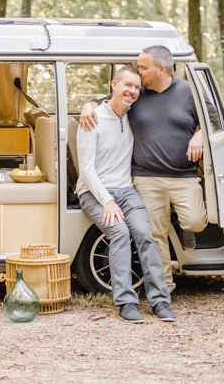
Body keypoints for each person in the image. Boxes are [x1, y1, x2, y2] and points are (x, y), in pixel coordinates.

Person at [79, 45, 208, 292]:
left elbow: (210, 122)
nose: (139, 73)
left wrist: (199, 135)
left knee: (195, 220)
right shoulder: (137, 94)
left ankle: (184, 230)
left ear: (162, 69)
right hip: (146, 177)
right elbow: (106, 101)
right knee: (155, 233)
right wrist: (88, 106)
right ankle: (165, 287)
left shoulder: (189, 92)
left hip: (183, 176)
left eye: (143, 67)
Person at [75, 65, 175, 323]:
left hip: (126, 190)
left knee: (145, 233)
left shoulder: (134, 115)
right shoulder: (92, 119)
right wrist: (106, 200)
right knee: (119, 232)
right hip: (93, 192)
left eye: (136, 87)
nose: (132, 91)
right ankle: (127, 303)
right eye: (127, 85)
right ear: (113, 85)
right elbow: (86, 170)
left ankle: (160, 301)